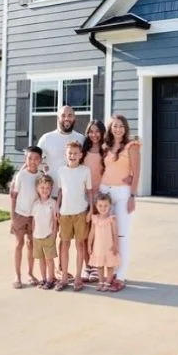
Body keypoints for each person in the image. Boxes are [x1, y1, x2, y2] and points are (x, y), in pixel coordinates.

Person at [100, 114, 141, 292]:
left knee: (122, 235)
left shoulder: (132, 146)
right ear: (110, 128)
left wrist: (132, 195)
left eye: (121, 126)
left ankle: (121, 276)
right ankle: (110, 273)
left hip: (123, 194)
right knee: (107, 236)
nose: (118, 129)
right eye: (115, 126)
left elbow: (137, 172)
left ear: (125, 129)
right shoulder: (105, 147)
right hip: (104, 192)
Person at [55, 141, 93, 292]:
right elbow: (60, 191)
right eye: (70, 153)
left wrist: (90, 209)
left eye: (75, 153)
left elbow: (89, 191)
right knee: (64, 245)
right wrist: (57, 207)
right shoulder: (61, 171)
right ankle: (64, 276)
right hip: (65, 213)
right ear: (66, 154)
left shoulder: (85, 171)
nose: (72, 156)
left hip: (81, 213)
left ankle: (78, 276)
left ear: (81, 155)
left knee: (80, 245)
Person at [10, 145, 43, 289]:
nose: (33, 161)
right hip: (20, 214)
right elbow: (13, 196)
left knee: (31, 245)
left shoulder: (41, 176)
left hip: (33, 216)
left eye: (36, 159)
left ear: (40, 160)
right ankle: (17, 275)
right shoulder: (21, 175)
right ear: (25, 159)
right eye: (30, 158)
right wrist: (12, 217)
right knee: (19, 244)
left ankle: (30, 273)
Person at [37, 105, 85, 198]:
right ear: (58, 118)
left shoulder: (81, 139)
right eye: (63, 115)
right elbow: (33, 160)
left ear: (74, 118)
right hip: (51, 194)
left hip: (74, 194)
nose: (67, 118)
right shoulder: (46, 138)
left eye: (70, 115)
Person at [81, 119, 106, 283]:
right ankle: (87, 266)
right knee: (84, 234)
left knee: (97, 234)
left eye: (97, 131)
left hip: (101, 198)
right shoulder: (83, 151)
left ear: (103, 132)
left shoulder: (106, 151)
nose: (94, 134)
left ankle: (97, 267)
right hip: (83, 197)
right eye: (91, 131)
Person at [87, 193, 120, 292]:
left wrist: (115, 245)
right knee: (99, 265)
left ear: (110, 206)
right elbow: (91, 233)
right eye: (100, 206)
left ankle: (108, 282)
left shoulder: (111, 219)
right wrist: (89, 244)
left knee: (110, 265)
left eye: (106, 206)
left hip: (109, 247)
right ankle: (101, 281)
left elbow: (115, 233)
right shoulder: (95, 219)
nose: (103, 208)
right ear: (96, 206)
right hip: (98, 247)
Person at [31, 175, 58, 290]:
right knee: (40, 259)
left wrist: (54, 234)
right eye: (42, 187)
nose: (45, 190)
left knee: (49, 260)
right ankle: (43, 279)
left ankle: (50, 279)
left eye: (47, 188)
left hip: (48, 236)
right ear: (37, 188)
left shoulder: (52, 203)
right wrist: (33, 235)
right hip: (37, 236)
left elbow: (55, 221)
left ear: (51, 189)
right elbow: (33, 221)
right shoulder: (35, 203)